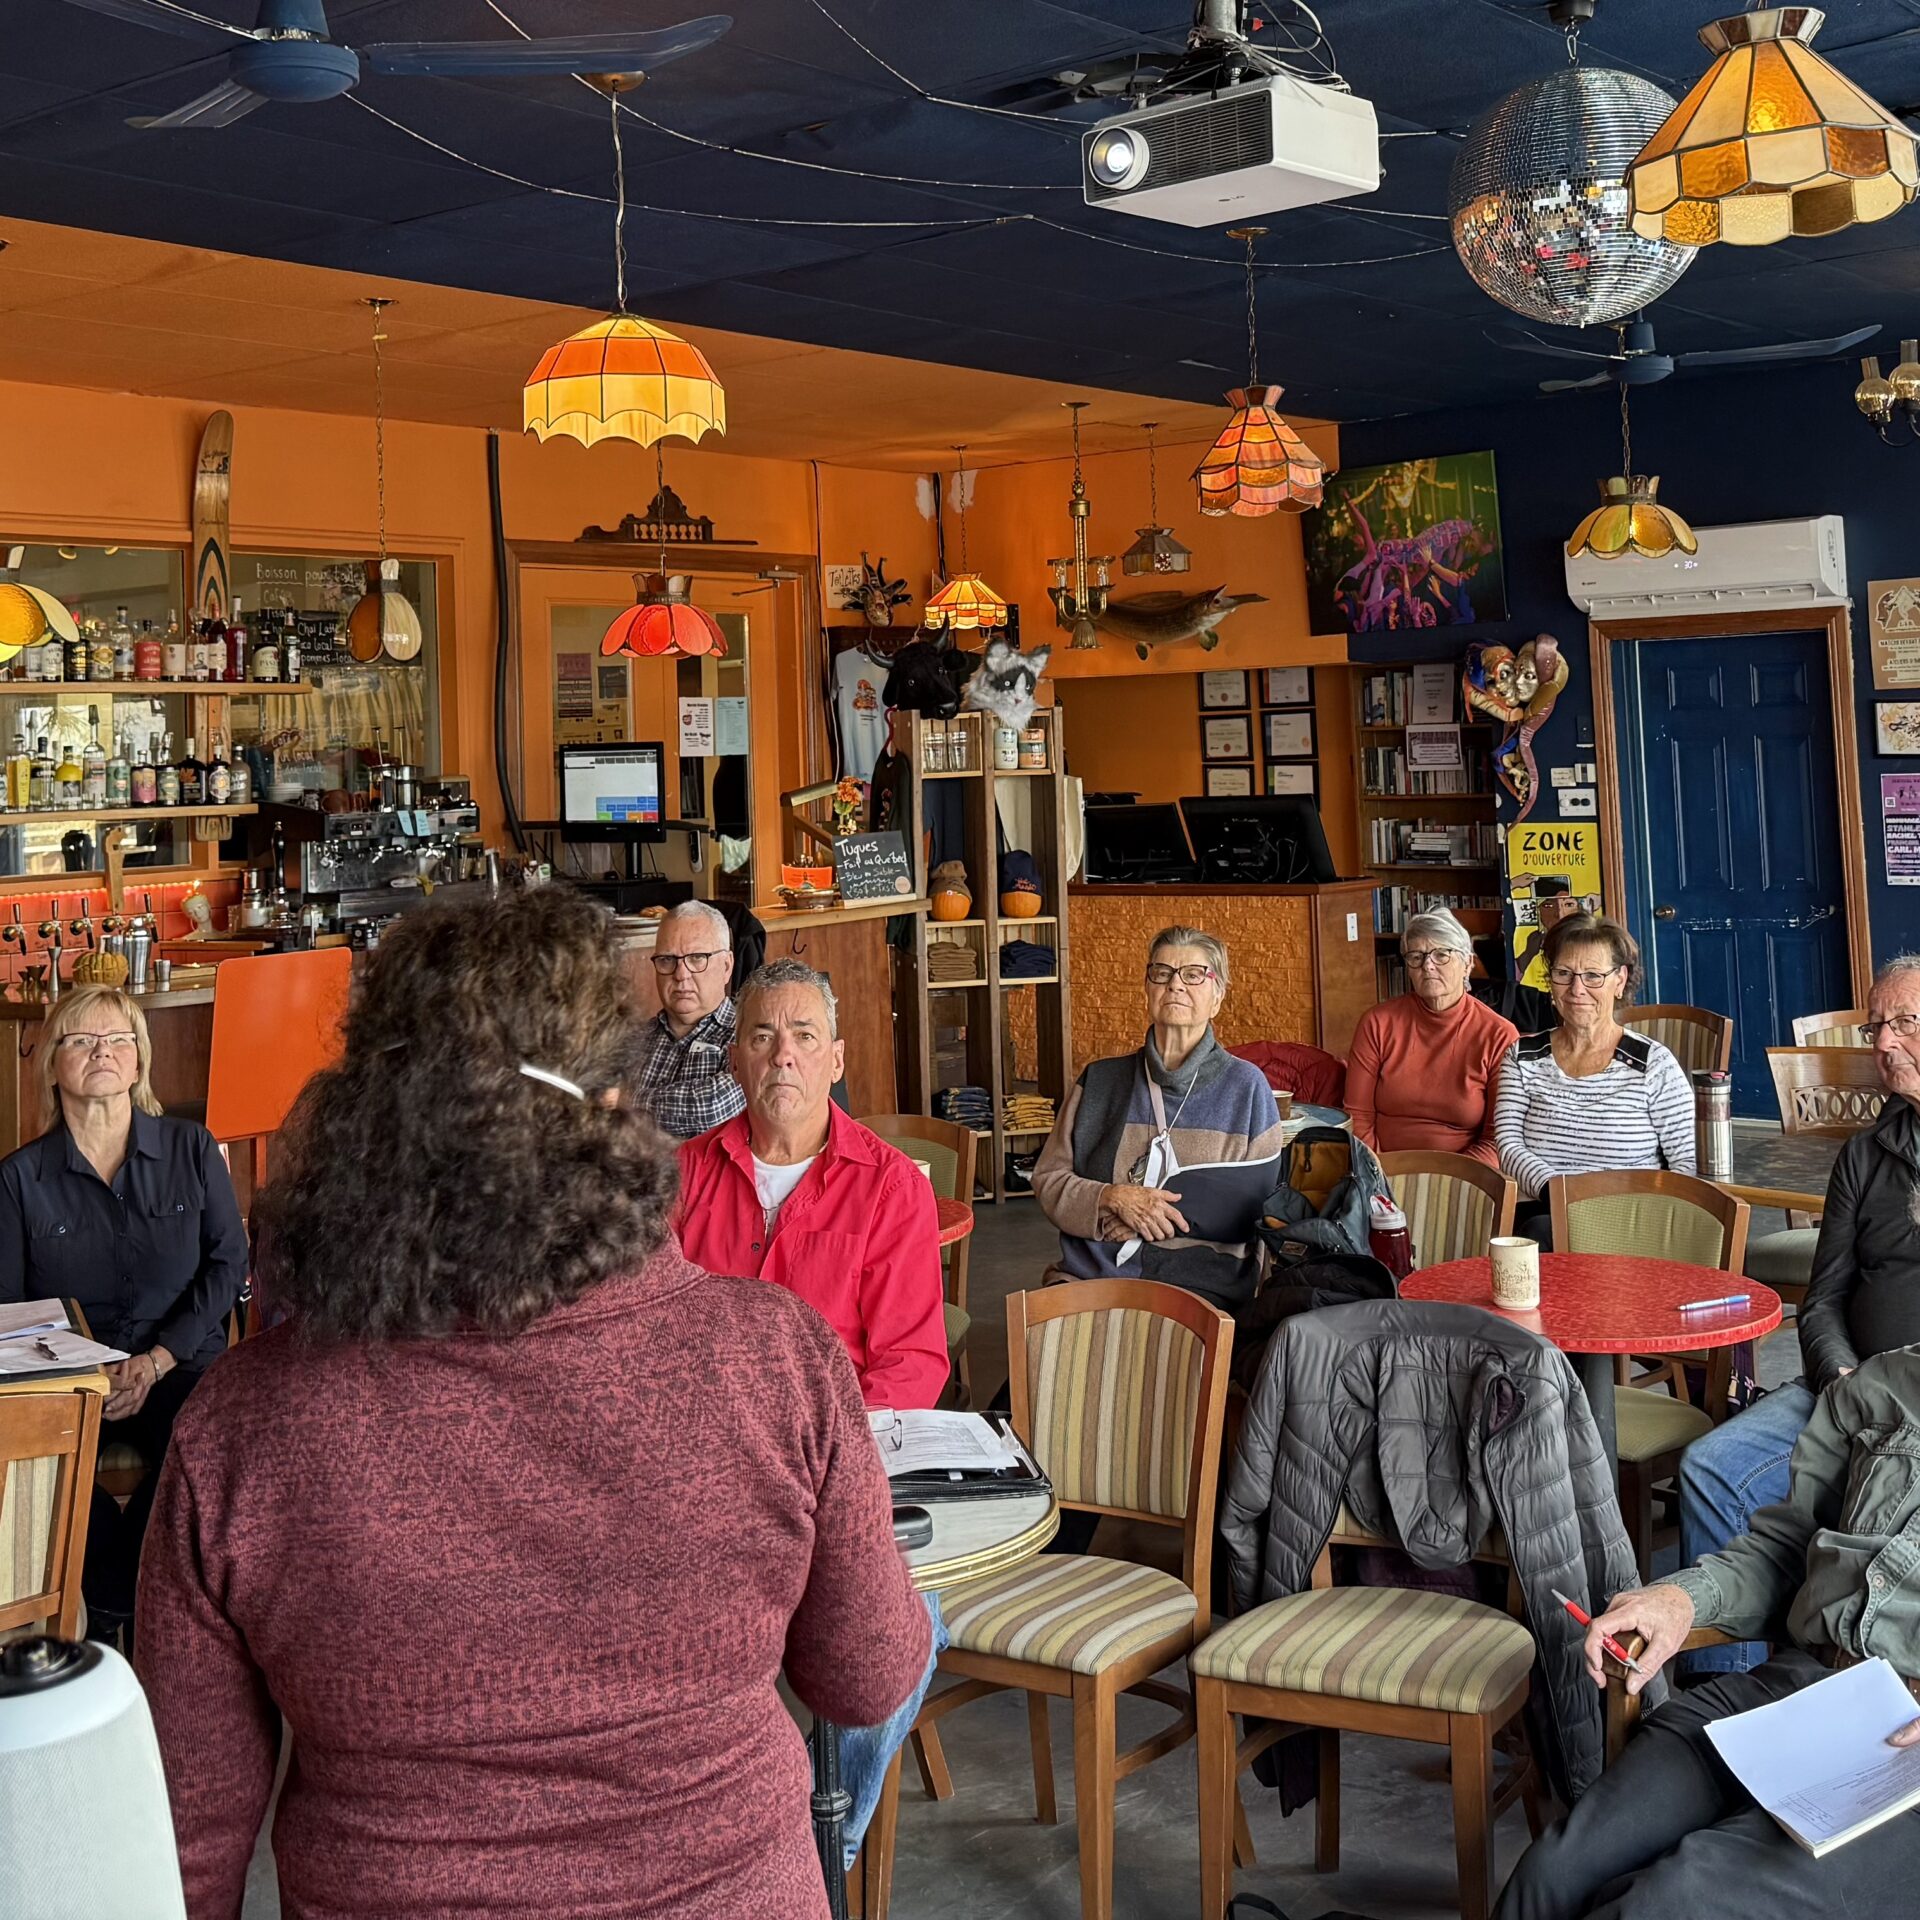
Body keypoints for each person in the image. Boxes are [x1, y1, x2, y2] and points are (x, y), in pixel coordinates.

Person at [134, 892, 930, 1920]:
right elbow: (868, 1677)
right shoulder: (773, 1357)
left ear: (369, 1122)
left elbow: (185, 1833)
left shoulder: (245, 1423)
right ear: (614, 1112)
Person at [674, 954, 948, 1866]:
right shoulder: (681, 1179)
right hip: (706, 1482)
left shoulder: (891, 1186)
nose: (781, 1054)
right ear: (734, 1060)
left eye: (802, 1036)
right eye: (760, 1036)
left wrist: (819, 1462)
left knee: (910, 1621)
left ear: (837, 1057)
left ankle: (815, 1849)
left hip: (846, 1475)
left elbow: (911, 1363)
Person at [1497, 1345, 1920, 1920]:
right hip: (1805, 1688)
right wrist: (1680, 1600)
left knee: (1669, 1902)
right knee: (1552, 1874)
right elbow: (1788, 1550)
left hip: (1907, 1755)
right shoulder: (1883, 1386)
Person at [1676, 953, 1920, 1673]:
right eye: (1876, 1027)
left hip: (1912, 1403)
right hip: (1844, 1388)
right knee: (1712, 1467)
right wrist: (1840, 1374)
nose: (1884, 1042)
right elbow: (1825, 1297)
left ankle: (1840, 1670)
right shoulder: (1866, 1155)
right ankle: (1737, 1690)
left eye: (1906, 1022)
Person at [0, 983, 246, 1634]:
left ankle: (110, 1611)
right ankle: (120, 1603)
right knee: (37, 1463)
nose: (101, 1052)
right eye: (81, 1040)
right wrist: (81, 1372)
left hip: (179, 1364)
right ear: (53, 1064)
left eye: (117, 1040)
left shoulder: (193, 1149)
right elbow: (9, 1310)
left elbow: (228, 1265)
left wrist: (157, 1359)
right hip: (67, 1376)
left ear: (139, 1061)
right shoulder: (18, 1179)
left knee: (199, 1449)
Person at [1033, 925, 1285, 1311]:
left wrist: (1146, 1219)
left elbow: (1260, 1210)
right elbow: (1049, 1179)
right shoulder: (1099, 1081)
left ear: (1218, 996)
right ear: (1147, 989)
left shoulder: (1247, 1088)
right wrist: (1111, 1198)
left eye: (1194, 974)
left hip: (1202, 1287)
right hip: (1094, 1276)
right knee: (1040, 1341)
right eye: (1162, 973)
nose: (1175, 984)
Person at [1494, 914, 1694, 1243]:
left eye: (1593, 976)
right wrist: (1560, 1192)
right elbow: (1508, 1144)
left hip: (1633, 1216)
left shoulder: (1653, 1063)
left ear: (1619, 980)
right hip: (1546, 1208)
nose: (1577, 989)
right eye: (1563, 973)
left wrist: (1655, 1210)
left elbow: (1687, 1158)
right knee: (1537, 1233)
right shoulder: (1523, 1055)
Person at [1345, 908, 1517, 1166]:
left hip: (1465, 1176)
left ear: (1468, 964)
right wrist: (1379, 1174)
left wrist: (1444, 1180)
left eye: (1441, 955)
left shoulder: (1499, 1035)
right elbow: (1357, 1116)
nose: (1427, 965)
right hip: (1382, 1171)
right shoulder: (1377, 1023)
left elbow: (1498, 1139)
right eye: (1416, 957)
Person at [630, 898, 745, 1140]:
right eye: (667, 960)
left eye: (697, 958)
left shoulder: (749, 1036)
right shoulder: (635, 1040)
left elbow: (712, 1107)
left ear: (726, 966)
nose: (681, 974)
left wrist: (626, 1102)